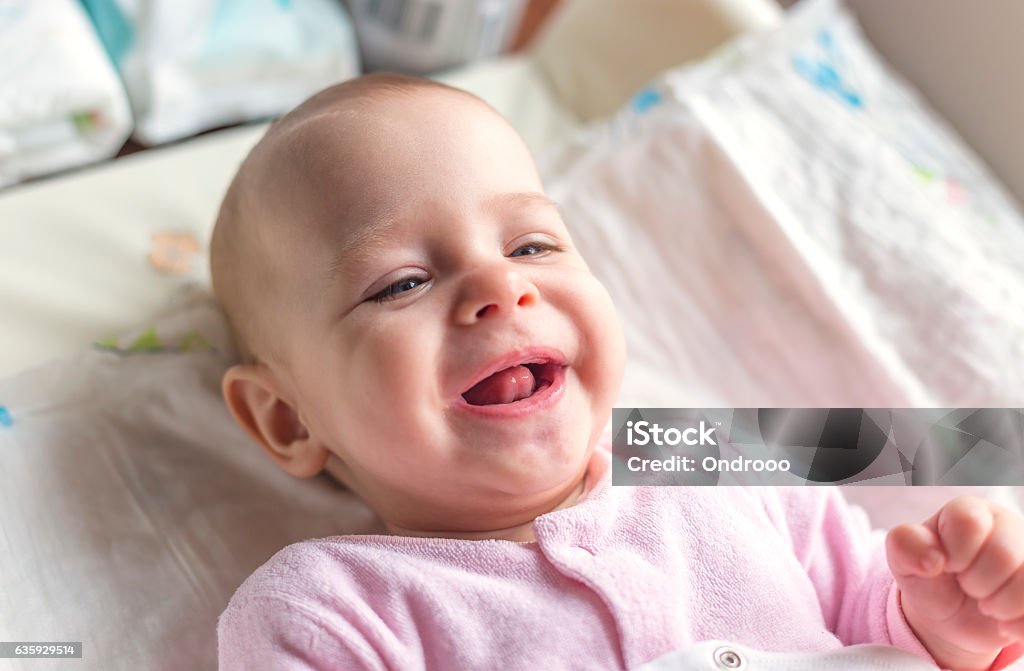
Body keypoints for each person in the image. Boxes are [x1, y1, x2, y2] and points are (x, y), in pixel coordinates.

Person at [211, 73, 1024, 671]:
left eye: (531, 245)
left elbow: (867, 614)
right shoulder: (329, 610)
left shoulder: (712, 460)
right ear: (288, 417)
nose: (501, 287)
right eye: (403, 283)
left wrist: (944, 619)